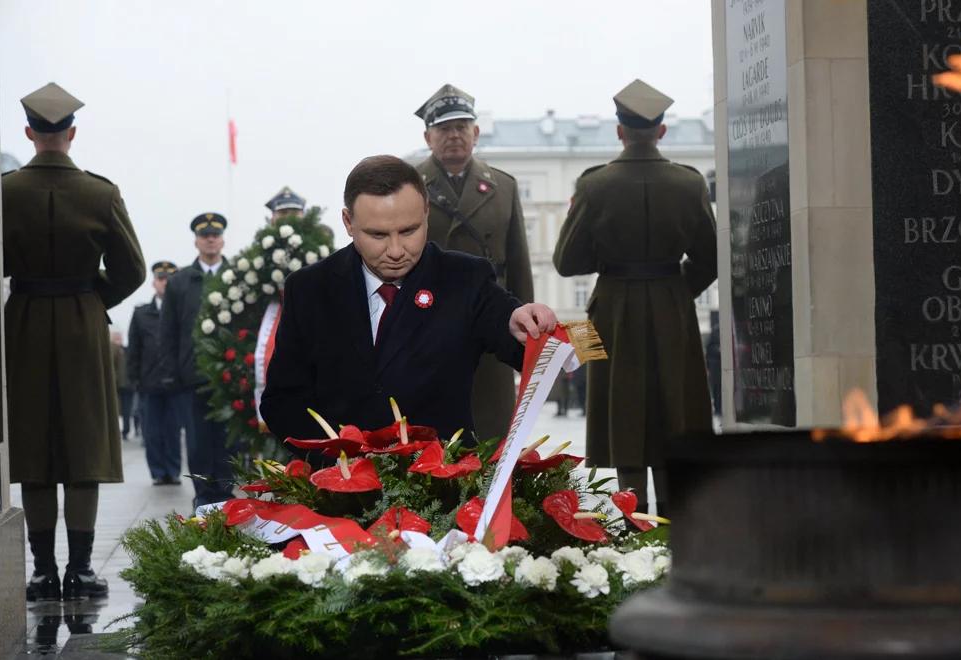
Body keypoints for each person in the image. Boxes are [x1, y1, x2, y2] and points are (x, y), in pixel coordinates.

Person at [261, 155, 556, 445]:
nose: (396, 250)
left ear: (426, 212)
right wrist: (337, 461)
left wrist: (524, 324)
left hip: (441, 481)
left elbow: (507, 326)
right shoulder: (309, 289)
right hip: (340, 480)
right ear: (348, 222)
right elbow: (282, 401)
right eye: (377, 235)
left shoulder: (465, 278)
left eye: (409, 231)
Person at [3, 83, 145, 600]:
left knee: (34, 443)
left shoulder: (5, 191)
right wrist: (91, 297)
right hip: (84, 322)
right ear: (72, 133)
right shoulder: (99, 192)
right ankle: (81, 570)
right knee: (84, 443)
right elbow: (132, 269)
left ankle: (41, 572)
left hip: (23, 323)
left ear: (28, 133)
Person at [553, 79, 718, 518]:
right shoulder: (689, 184)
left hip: (611, 309)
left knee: (620, 408)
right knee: (674, 407)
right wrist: (678, 290)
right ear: (661, 131)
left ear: (619, 131)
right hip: (672, 305)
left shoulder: (594, 185)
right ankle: (673, 512)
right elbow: (710, 258)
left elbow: (567, 262)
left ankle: (630, 511)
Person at [413, 84, 534, 443]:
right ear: (428, 137)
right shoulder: (409, 186)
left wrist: (527, 329)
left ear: (476, 133)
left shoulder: (503, 186)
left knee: (492, 427)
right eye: (444, 129)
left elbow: (518, 263)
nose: (454, 136)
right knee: (432, 432)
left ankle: (494, 496)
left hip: (492, 322)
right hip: (427, 319)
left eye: (461, 127)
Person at [159, 213, 233, 507]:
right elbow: (168, 330)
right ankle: (203, 498)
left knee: (230, 441)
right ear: (197, 240)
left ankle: (227, 496)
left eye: (215, 234)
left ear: (223, 238)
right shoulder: (180, 281)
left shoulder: (237, 275)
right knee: (198, 441)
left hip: (230, 376)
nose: (211, 239)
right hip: (193, 375)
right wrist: (170, 372)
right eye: (205, 235)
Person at [127, 260, 183, 485]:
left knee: (173, 430)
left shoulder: (181, 311)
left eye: (170, 279)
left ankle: (173, 470)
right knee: (152, 432)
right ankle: (158, 472)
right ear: (154, 282)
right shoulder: (142, 314)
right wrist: (134, 380)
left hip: (176, 382)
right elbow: (134, 349)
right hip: (149, 382)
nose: (165, 283)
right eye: (161, 278)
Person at [111, 330, 133, 439]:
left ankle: (125, 430)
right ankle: (120, 431)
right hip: (118, 385)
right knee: (118, 410)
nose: (118, 340)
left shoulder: (126, 350)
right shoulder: (113, 350)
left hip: (127, 386)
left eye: (119, 338)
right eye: (116, 338)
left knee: (126, 411)